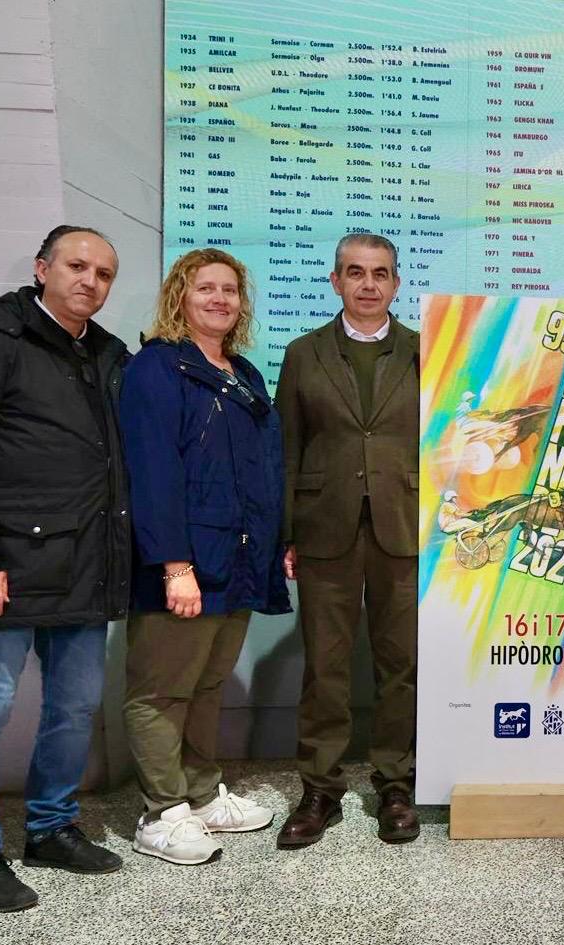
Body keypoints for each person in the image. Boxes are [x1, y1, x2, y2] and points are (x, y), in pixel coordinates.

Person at [0, 226, 129, 911]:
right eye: (76, 265)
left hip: (85, 565)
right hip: (2, 566)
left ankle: (51, 828)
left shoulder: (106, 354)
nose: (89, 280)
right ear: (42, 268)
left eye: (103, 273)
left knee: (74, 708)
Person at [118, 249, 290, 865]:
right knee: (162, 691)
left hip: (237, 559)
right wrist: (175, 566)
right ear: (180, 297)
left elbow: (264, 468)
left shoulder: (243, 373)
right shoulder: (157, 369)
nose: (219, 299)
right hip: (186, 564)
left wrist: (276, 544)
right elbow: (153, 472)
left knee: (207, 683)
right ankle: (162, 812)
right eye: (205, 288)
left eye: (229, 290)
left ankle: (200, 791)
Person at [275, 233, 421, 848]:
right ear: (335, 281)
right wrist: (285, 532)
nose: (368, 284)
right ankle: (320, 790)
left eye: (380, 273)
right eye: (355, 272)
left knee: (401, 665)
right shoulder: (303, 353)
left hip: (406, 527)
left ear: (396, 283)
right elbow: (286, 449)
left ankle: (396, 784)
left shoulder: (426, 350)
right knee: (325, 666)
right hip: (324, 528)